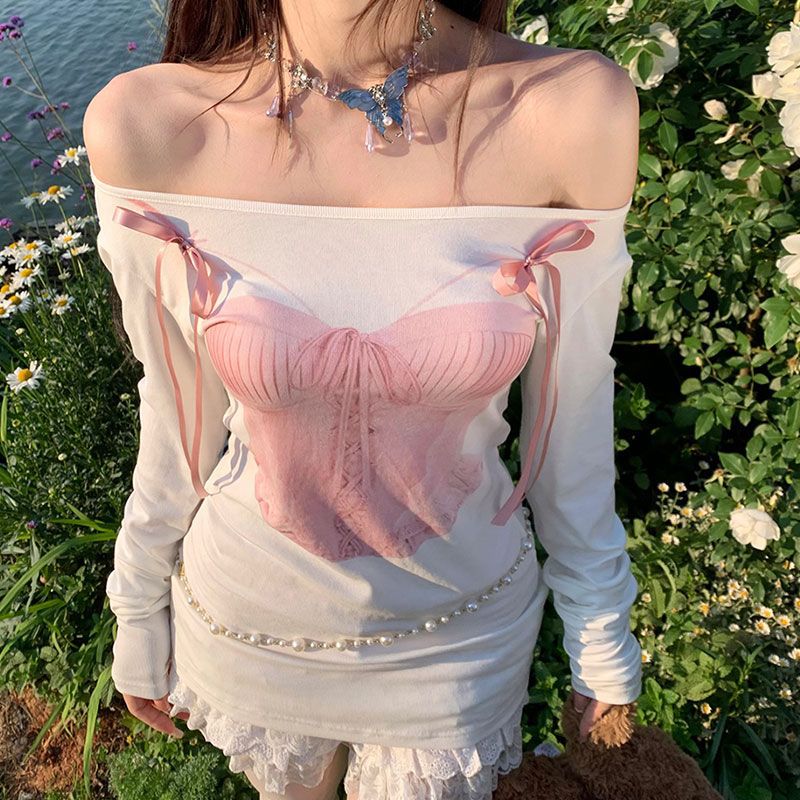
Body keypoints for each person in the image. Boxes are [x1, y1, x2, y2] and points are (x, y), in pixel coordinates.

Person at [83, 0, 642, 797]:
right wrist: (137, 602)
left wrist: (601, 626)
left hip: (458, 637)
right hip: (252, 627)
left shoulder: (569, 110)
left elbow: (576, 410)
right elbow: (176, 412)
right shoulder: (149, 126)